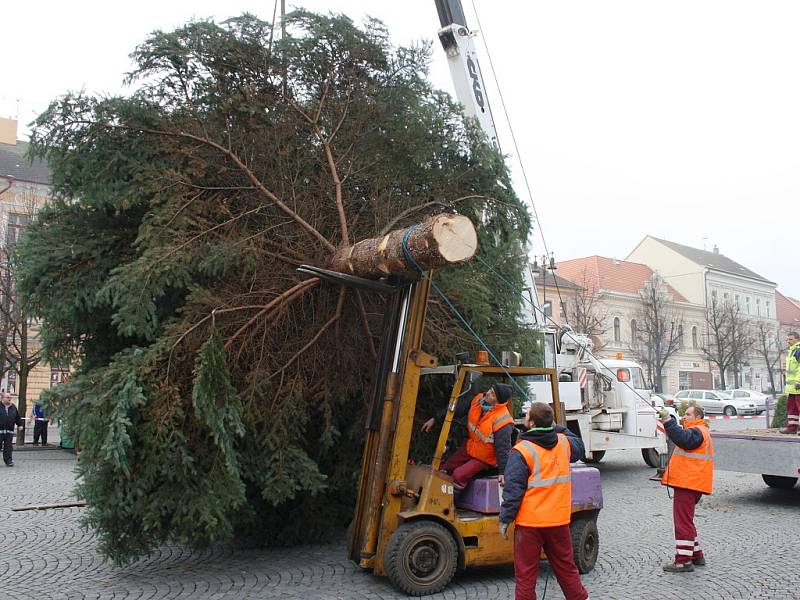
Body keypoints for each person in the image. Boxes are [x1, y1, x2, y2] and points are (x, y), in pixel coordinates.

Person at [499, 402, 588, 600]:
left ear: (530, 423)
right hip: (558, 521)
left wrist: (505, 519)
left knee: (526, 574)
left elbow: (513, 491)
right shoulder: (564, 442)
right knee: (566, 569)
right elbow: (579, 445)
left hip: (530, 524)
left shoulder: (521, 450)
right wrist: (553, 425)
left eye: (527, 415)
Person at [421, 382, 514, 490]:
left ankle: (453, 502)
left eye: (493, 394)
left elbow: (503, 449)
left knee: (458, 475)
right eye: (490, 390)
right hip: (471, 447)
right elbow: (454, 409)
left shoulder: (503, 421)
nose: (488, 393)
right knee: (443, 468)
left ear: (498, 401)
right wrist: (435, 418)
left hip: (485, 457)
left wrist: (503, 472)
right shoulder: (476, 401)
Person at [659, 403, 714, 573]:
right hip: (692, 483)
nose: (685, 416)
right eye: (684, 414)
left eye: (688, 414)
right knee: (687, 520)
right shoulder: (700, 431)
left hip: (688, 483)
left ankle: (683, 561)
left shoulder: (697, 431)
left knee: (683, 522)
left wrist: (668, 420)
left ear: (698, 418)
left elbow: (682, 437)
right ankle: (696, 555)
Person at [780, 331, 800, 434]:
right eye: (787, 339)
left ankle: (793, 428)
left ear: (797, 339)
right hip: (792, 388)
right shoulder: (792, 351)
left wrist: (798, 381)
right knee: (792, 408)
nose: (788, 341)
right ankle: (792, 428)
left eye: (790, 339)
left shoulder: (798, 350)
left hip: (798, 385)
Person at [0, 393, 22, 467]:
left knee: (8, 447)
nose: (9, 399)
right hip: (0, 431)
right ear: (2, 398)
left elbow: (17, 417)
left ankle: (8, 461)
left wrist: (20, 425)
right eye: (7, 397)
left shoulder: (13, 407)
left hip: (9, 431)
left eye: (10, 397)